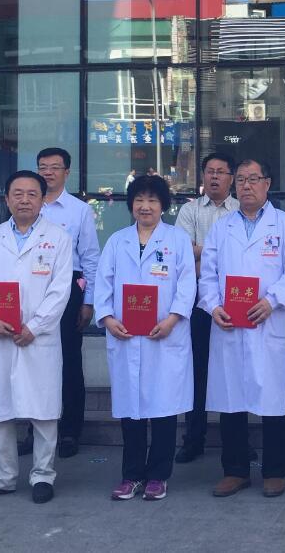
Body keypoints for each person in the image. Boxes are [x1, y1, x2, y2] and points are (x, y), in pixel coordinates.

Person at [0, 171, 74, 505]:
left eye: (32, 194)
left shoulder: (58, 238)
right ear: (7, 199)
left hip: (38, 339)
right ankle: (1, 476)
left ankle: (43, 475)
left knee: (43, 410)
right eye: (18, 194)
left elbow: (60, 290)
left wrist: (35, 326)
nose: (24, 200)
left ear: (42, 200)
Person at [198, 158, 285, 498]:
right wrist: (213, 306)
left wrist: (272, 301)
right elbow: (208, 274)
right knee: (231, 398)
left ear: (267, 183)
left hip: (267, 323)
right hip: (229, 325)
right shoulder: (222, 227)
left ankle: (275, 471)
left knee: (272, 399)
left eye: (253, 179)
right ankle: (235, 470)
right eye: (242, 179)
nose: (246, 185)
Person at [95, 175, 196, 501]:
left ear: (163, 205)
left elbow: (187, 285)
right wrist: (107, 318)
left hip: (164, 336)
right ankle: (132, 475)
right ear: (131, 204)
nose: (145, 206)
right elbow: (103, 283)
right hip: (126, 336)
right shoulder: (117, 241)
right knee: (131, 410)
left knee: (164, 407)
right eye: (139, 199)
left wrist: (172, 319)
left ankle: (158, 476)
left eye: (152, 200)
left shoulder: (177, 240)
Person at [21, 148, 99, 459]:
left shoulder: (79, 210)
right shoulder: (27, 206)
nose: (48, 172)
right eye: (43, 167)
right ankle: (34, 430)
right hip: (31, 288)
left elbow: (90, 258)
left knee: (69, 361)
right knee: (33, 361)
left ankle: (69, 431)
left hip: (68, 289)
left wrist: (88, 301)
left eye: (55, 167)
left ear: (67, 172)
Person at [173, 151, 240, 464]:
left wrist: (204, 255)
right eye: (210, 171)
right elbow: (183, 253)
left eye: (221, 171)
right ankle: (193, 438)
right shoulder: (190, 210)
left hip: (236, 301)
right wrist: (218, 254)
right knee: (197, 370)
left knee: (233, 371)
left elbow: (242, 258)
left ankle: (238, 442)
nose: (214, 176)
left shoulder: (241, 210)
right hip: (198, 302)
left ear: (231, 178)